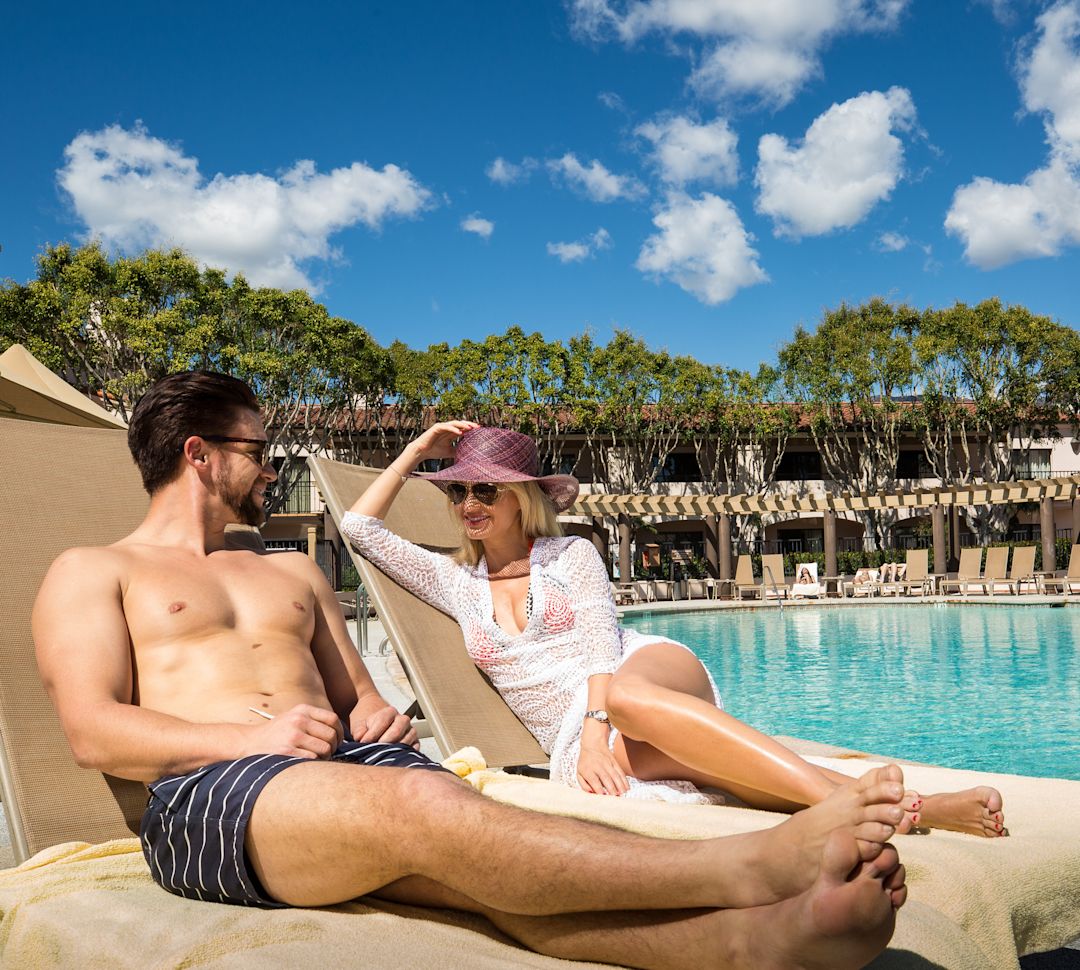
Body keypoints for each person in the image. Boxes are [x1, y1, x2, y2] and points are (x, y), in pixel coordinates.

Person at [34, 371, 909, 970]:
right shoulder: (95, 570)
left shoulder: (292, 572)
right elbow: (91, 731)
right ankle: (749, 870)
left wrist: (380, 716)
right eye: (261, 452)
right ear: (200, 453)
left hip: (346, 775)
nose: (272, 469)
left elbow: (362, 700)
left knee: (486, 879)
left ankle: (759, 945)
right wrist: (246, 736)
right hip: (213, 795)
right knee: (426, 808)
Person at [345, 422, 1007, 838]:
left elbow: (605, 643)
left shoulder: (569, 553)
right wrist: (414, 452)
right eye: (457, 491)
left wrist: (602, 729)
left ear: (524, 497)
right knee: (722, 771)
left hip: (637, 676)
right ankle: (915, 809)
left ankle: (848, 815)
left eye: (485, 491)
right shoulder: (452, 581)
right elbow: (357, 530)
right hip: (573, 736)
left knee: (630, 700)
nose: (467, 505)